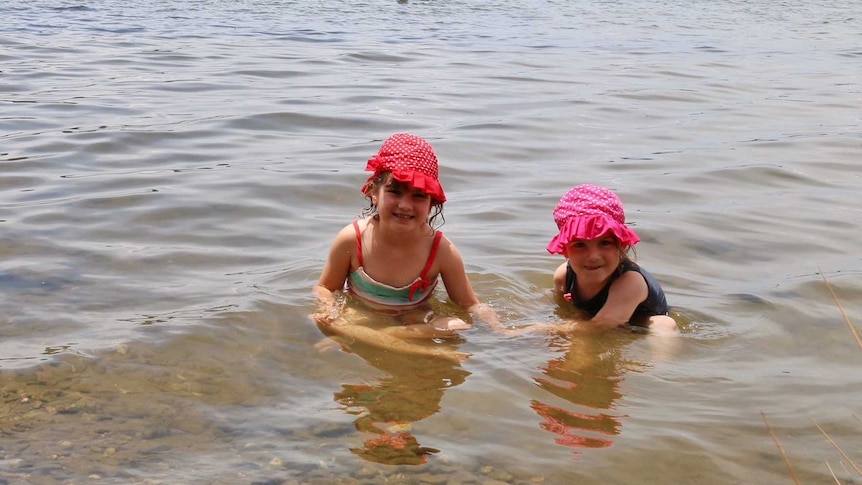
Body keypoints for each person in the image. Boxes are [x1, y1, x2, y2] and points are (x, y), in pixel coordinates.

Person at [313, 133, 498, 358]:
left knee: (456, 326)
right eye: (395, 192)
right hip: (363, 314)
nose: (405, 205)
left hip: (415, 320)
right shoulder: (352, 239)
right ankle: (372, 335)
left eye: (419, 196)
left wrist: (498, 327)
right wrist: (329, 309)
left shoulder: (441, 250)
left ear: (432, 203)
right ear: (373, 192)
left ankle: (376, 336)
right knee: (336, 318)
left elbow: (469, 304)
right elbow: (325, 288)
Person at [532, 184, 678, 335]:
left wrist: (532, 330)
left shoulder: (630, 282)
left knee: (665, 325)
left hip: (635, 329)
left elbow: (601, 325)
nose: (594, 256)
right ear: (565, 249)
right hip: (598, 322)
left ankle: (660, 359)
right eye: (580, 245)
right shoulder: (564, 276)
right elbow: (558, 308)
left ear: (622, 245)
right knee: (573, 324)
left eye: (605, 243)